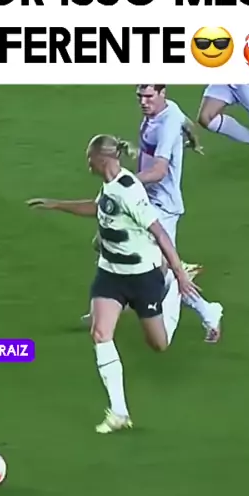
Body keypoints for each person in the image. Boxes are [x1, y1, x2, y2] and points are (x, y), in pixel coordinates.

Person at [26, 134, 200, 434]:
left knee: (159, 344)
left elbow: (159, 232)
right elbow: (98, 207)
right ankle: (119, 412)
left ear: (101, 159)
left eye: (89, 157)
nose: (86, 162)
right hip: (111, 274)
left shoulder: (129, 190)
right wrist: (56, 205)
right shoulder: (110, 186)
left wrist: (179, 273)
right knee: (100, 333)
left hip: (142, 276)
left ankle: (172, 289)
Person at [82, 84, 224, 343]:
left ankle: (202, 307)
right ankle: (118, 300)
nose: (143, 102)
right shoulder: (166, 112)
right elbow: (186, 122)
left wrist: (124, 185)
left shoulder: (167, 125)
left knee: (161, 272)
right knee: (102, 242)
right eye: (140, 96)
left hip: (162, 205)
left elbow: (159, 171)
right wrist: (194, 141)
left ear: (162, 93)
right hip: (146, 199)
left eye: (149, 96)